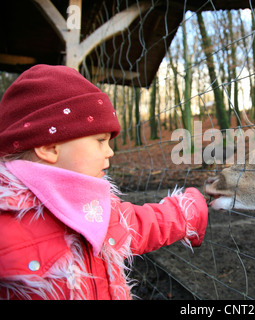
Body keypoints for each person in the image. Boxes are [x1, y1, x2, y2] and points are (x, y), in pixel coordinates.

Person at [0, 64, 208, 300]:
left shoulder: (98, 207)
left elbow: (143, 223)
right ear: (49, 147)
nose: (109, 152)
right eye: (100, 140)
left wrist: (186, 211)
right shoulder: (5, 224)